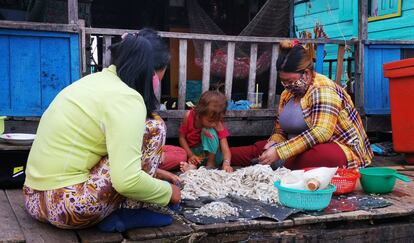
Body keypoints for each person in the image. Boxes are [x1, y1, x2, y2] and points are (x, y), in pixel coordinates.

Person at [23, 29, 181, 231]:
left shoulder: (93, 82)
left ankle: (119, 211)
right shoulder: (128, 98)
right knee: (154, 126)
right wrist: (168, 192)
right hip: (70, 208)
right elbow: (127, 181)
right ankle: (132, 210)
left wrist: (157, 172)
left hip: (34, 200)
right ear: (152, 74)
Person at [230, 40, 373, 170]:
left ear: (306, 73)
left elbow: (321, 132)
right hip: (295, 147)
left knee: (322, 156)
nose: (286, 85)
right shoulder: (288, 93)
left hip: (337, 147)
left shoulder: (323, 89)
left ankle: (276, 164)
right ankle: (219, 155)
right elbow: (280, 130)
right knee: (261, 149)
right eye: (283, 81)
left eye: (290, 81)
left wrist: (280, 152)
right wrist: (274, 142)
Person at [179, 91, 234, 173]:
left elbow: (225, 148)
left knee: (207, 131)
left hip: (214, 156)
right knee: (181, 155)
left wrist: (226, 163)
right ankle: (192, 167)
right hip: (195, 154)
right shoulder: (189, 116)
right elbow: (182, 138)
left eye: (216, 121)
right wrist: (191, 155)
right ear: (199, 113)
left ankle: (210, 164)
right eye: (210, 121)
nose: (214, 124)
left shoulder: (217, 123)